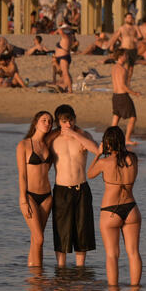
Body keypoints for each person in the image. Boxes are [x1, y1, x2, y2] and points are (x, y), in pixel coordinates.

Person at [87, 126, 142, 286]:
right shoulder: (133, 158)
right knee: (133, 253)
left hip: (110, 211)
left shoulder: (104, 162)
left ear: (107, 143)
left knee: (112, 255)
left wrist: (98, 153)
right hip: (131, 208)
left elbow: (89, 174)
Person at [47, 104, 100, 267]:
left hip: (81, 188)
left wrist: (75, 134)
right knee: (61, 231)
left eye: (71, 120)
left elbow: (97, 150)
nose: (68, 124)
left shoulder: (83, 135)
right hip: (61, 190)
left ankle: (80, 268)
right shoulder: (53, 139)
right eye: (64, 121)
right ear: (58, 122)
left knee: (82, 231)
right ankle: (61, 268)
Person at [16, 111, 54, 267]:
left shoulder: (48, 145)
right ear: (36, 123)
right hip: (30, 196)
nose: (47, 123)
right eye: (44, 120)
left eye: (50, 121)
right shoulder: (24, 145)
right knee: (39, 238)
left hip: (47, 197)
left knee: (36, 239)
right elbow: (22, 175)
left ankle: (34, 274)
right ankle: (38, 276)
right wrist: (23, 199)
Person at [111, 48, 140, 145]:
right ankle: (127, 139)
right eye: (125, 55)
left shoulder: (114, 67)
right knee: (133, 117)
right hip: (122, 96)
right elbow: (123, 86)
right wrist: (134, 93)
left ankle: (110, 138)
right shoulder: (122, 69)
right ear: (120, 56)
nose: (127, 57)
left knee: (116, 117)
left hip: (115, 96)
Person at [54, 24, 73, 93]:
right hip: (63, 57)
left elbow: (60, 31)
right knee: (65, 74)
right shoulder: (69, 36)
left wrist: (61, 26)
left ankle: (70, 89)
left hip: (63, 57)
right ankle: (66, 87)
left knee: (65, 73)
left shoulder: (66, 37)